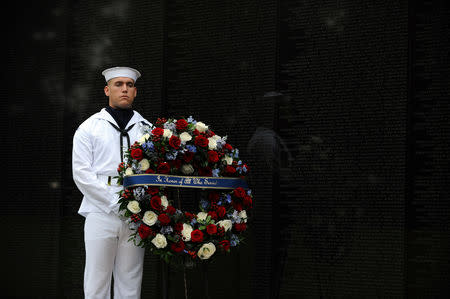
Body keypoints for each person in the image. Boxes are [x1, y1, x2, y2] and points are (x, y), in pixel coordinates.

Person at [72, 66, 152, 299]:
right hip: (100, 209)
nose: (124, 89)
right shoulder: (90, 127)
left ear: (135, 91)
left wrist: (140, 204)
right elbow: (81, 173)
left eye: (129, 85)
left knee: (131, 279)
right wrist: (116, 203)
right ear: (107, 90)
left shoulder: (147, 129)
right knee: (97, 278)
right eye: (118, 84)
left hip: (137, 211)